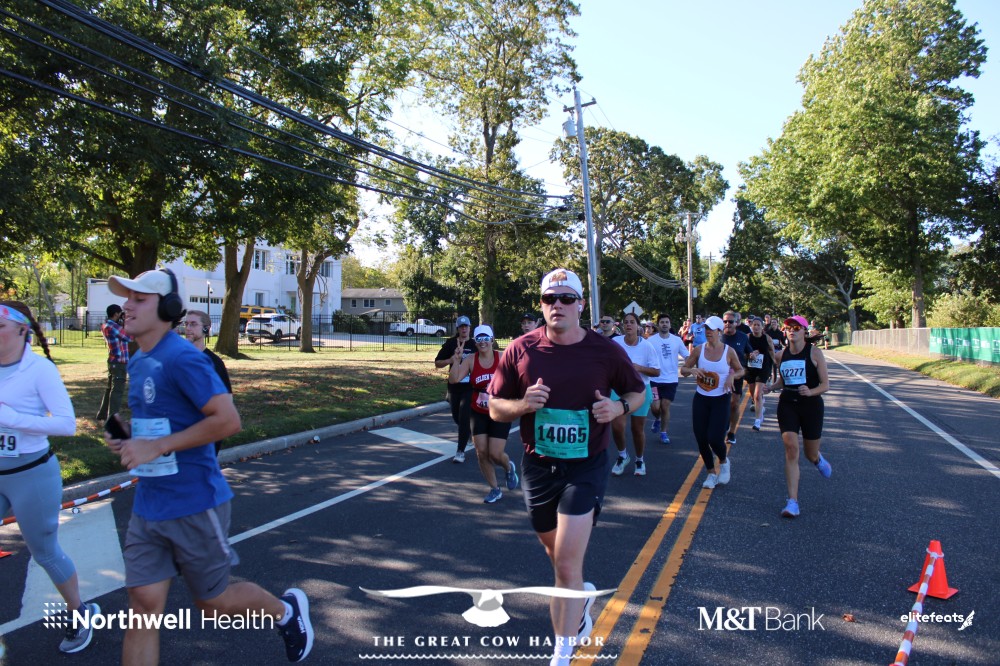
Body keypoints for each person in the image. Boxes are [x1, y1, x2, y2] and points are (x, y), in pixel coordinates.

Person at [103, 270, 313, 663]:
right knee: (143, 606)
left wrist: (157, 446)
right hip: (149, 505)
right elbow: (163, 422)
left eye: (139, 299)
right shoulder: (140, 361)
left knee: (213, 603)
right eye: (127, 298)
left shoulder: (184, 358)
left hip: (194, 503)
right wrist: (130, 437)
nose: (127, 306)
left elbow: (228, 420)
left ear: (168, 309)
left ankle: (285, 612)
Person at [488, 268, 643, 666]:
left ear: (581, 305)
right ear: (542, 305)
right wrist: (524, 405)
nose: (557, 305)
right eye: (549, 299)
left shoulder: (605, 350)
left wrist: (618, 408)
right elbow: (495, 408)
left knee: (567, 565)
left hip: (585, 466)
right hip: (538, 467)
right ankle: (580, 601)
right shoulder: (520, 349)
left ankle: (562, 651)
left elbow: (637, 391)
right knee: (557, 558)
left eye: (566, 298)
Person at [0, 301, 99, 654]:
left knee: (45, 552)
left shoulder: (39, 370)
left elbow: (66, 424)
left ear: (21, 330)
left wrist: (12, 419)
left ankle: (80, 612)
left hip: (31, 475)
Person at [762, 315, 832, 518]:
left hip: (811, 405)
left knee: (810, 454)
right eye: (788, 328)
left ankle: (817, 459)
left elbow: (825, 385)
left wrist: (810, 391)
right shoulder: (781, 355)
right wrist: (771, 388)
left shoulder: (814, 353)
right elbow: (783, 381)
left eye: (796, 328)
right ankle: (792, 502)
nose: (792, 331)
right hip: (788, 404)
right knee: (791, 449)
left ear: (804, 331)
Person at [449, 324, 518, 503]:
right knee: (481, 452)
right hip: (478, 411)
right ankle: (495, 489)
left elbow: (518, 378)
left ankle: (508, 467)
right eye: (479, 338)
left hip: (500, 411)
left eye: (486, 338)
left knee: (495, 454)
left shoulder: (502, 357)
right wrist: (456, 360)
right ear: (475, 341)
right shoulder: (471, 359)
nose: (482, 342)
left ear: (492, 340)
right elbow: (454, 379)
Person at [680, 316, 744, 489]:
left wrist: (732, 375)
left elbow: (741, 370)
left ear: (719, 332)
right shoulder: (699, 350)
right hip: (701, 398)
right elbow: (684, 370)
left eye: (711, 329)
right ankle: (711, 473)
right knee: (701, 438)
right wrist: (692, 370)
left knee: (715, 438)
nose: (708, 332)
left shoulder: (728, 351)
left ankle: (724, 462)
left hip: (721, 399)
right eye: (706, 329)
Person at [610, 312, 660, 477]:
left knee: (637, 429)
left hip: (640, 389)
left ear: (638, 325)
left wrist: (639, 368)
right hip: (618, 389)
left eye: (632, 322)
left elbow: (656, 371)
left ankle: (639, 459)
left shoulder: (647, 346)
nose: (629, 325)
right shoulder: (616, 343)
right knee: (617, 426)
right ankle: (623, 456)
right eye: (626, 322)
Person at [184, 310, 232, 455]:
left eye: (193, 324)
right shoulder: (177, 359)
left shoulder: (214, 363)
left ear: (206, 329)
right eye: (186, 324)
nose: (188, 328)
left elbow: (227, 402)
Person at [434, 316, 476, 463]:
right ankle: (468, 432)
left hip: (470, 387)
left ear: (470, 328)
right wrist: (451, 360)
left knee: (464, 417)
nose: (464, 329)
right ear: (458, 329)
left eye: (466, 326)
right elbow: (437, 363)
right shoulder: (451, 343)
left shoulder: (475, 344)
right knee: (457, 417)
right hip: (454, 386)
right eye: (461, 327)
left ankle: (460, 451)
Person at [649, 313, 689, 445]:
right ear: (658, 325)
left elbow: (686, 355)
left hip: (671, 379)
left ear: (670, 324)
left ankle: (663, 432)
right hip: (654, 379)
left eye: (667, 322)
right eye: (662, 322)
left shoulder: (676, 340)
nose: (664, 324)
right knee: (655, 407)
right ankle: (657, 419)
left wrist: (690, 365)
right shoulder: (651, 341)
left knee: (665, 406)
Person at [96, 303, 133, 422]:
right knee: (117, 390)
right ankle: (112, 418)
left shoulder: (105, 325)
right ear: (116, 314)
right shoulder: (114, 327)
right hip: (120, 361)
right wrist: (127, 322)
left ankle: (102, 414)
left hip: (112, 360)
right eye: (120, 313)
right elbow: (129, 337)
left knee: (109, 389)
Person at [721, 310, 753, 445]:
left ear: (736, 323)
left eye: (730, 321)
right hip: (719, 375)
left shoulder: (743, 337)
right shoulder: (718, 336)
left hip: (736, 375)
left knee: (734, 403)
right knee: (721, 404)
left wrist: (753, 354)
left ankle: (732, 432)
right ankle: (723, 424)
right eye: (725, 321)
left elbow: (749, 352)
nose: (727, 324)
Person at [746, 316, 777, 431]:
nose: (756, 327)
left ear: (762, 327)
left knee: (757, 394)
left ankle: (757, 421)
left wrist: (776, 363)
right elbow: (742, 352)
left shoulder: (767, 338)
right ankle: (760, 404)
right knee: (753, 394)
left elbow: (772, 351)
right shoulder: (747, 337)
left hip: (763, 368)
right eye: (754, 325)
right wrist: (749, 354)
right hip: (750, 368)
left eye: (758, 325)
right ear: (751, 326)